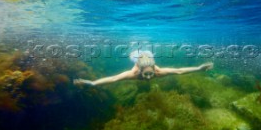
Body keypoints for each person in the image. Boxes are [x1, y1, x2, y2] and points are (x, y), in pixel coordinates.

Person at [73, 50, 213, 86]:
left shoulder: (158, 72)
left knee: (148, 54)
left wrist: (200, 68)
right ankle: (138, 50)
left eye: (150, 74)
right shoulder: (133, 73)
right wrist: (92, 83)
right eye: (146, 75)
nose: (148, 78)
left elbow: (180, 71)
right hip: (137, 57)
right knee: (133, 54)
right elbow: (114, 79)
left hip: (148, 57)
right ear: (139, 71)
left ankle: (147, 52)